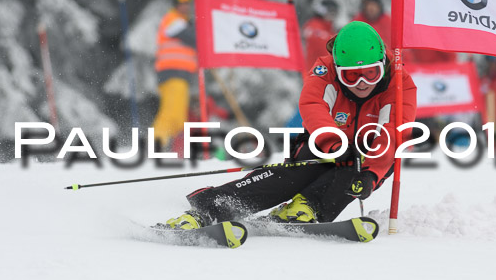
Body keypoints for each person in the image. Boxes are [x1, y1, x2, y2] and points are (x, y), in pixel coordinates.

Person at [161, 21, 418, 229]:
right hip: (323, 142)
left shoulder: (398, 85)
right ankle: (212, 207)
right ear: (338, 69)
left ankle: (307, 207)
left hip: (368, 154)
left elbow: (392, 133)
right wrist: (334, 143)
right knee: (292, 175)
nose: (362, 83)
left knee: (362, 167)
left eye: (370, 73)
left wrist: (371, 176)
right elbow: (312, 106)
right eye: (351, 76)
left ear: (382, 65)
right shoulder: (324, 71)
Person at [151, 0, 197, 150]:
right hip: (172, 74)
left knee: (178, 119)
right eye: (182, 4)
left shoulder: (182, 21)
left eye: (187, 4)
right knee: (170, 114)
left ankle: (176, 151)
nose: (185, 7)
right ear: (175, 5)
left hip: (182, 76)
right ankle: (155, 147)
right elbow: (191, 38)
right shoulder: (172, 19)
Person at [302, 0, 339, 71]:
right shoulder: (314, 26)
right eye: (330, 11)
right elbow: (325, 46)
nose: (332, 15)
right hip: (313, 73)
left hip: (325, 72)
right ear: (322, 11)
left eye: (335, 12)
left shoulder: (330, 29)